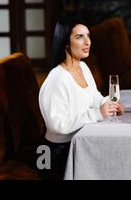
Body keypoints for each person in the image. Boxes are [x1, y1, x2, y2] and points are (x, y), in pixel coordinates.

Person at [38, 15, 124, 179]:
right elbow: (57, 125)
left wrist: (110, 104)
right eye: (79, 37)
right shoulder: (57, 79)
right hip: (58, 153)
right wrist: (97, 113)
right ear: (65, 42)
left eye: (88, 36)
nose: (87, 42)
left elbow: (95, 98)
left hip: (80, 143)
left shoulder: (83, 67)